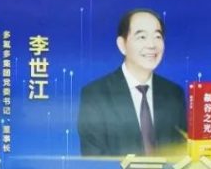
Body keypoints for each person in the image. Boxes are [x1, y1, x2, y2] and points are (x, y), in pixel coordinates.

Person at [78, 8, 186, 157]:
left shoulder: (174, 93)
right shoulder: (95, 94)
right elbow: (94, 158)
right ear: (122, 45)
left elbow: (181, 152)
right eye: (142, 37)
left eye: (157, 36)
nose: (151, 45)